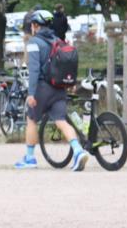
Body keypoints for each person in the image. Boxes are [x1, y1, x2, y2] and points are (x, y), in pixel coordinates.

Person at [15, 13, 90, 171]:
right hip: (59, 88)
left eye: (32, 25)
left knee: (32, 119)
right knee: (61, 121)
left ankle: (30, 158)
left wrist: (31, 93)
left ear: (35, 25)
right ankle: (77, 151)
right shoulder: (58, 40)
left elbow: (34, 70)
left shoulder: (34, 42)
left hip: (42, 88)